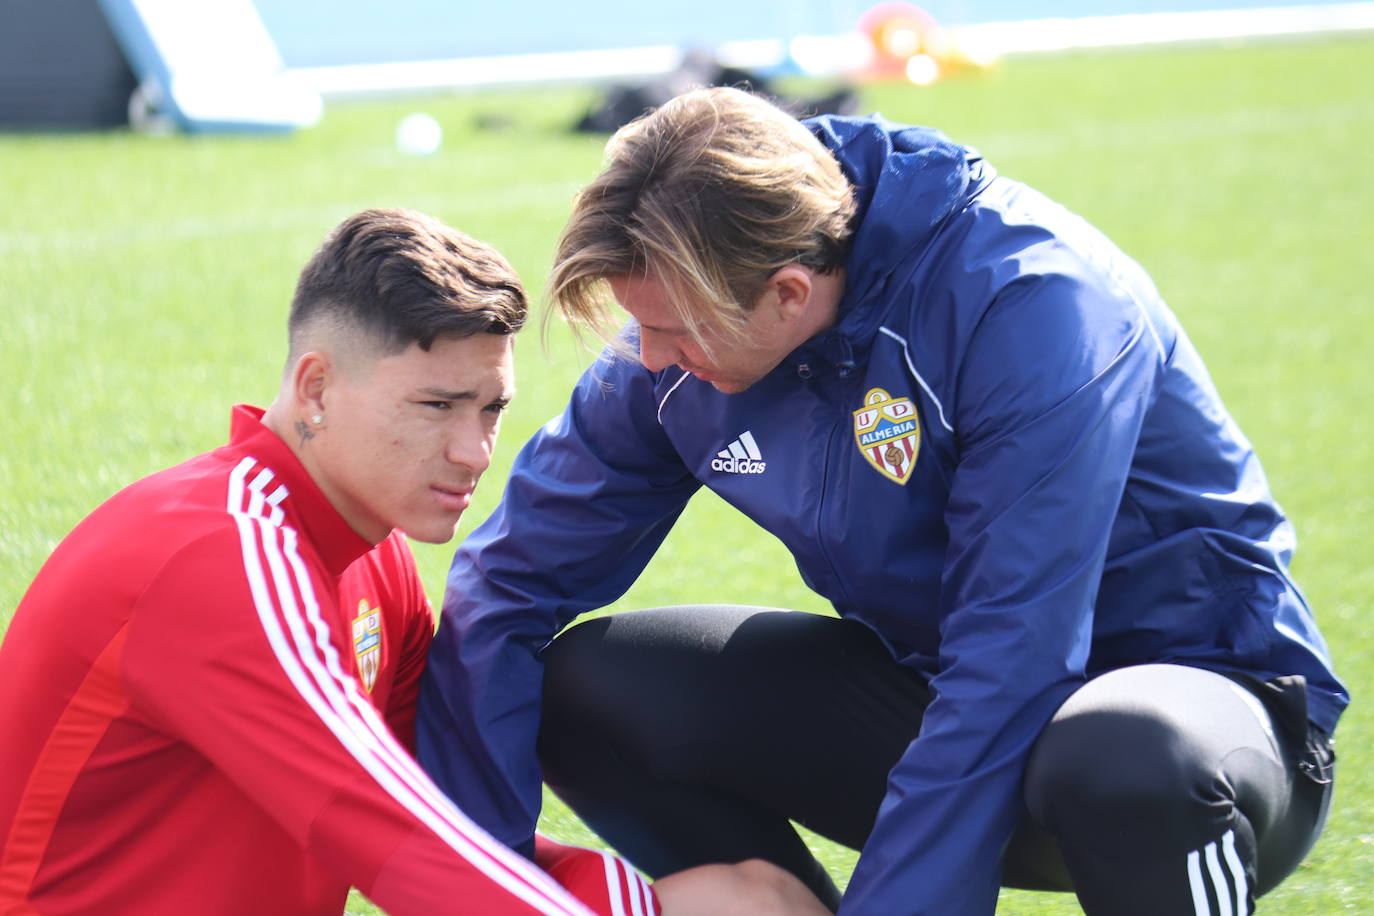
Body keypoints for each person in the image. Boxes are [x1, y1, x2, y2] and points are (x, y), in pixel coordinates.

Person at [416, 88, 1349, 916]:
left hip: (1198, 736)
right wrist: (476, 887)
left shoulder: (1034, 305)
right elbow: (509, 583)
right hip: (948, 698)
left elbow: (1015, 652)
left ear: (788, 294)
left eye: (672, 329)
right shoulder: (691, 326)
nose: (648, 356)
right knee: (591, 691)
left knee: (1125, 755)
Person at [0, 207, 818, 916]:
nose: (474, 451)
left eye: (491, 409)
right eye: (436, 406)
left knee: (742, 899)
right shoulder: (218, 557)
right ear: (316, 389)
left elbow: (440, 808)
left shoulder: (371, 556)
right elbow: (397, 843)